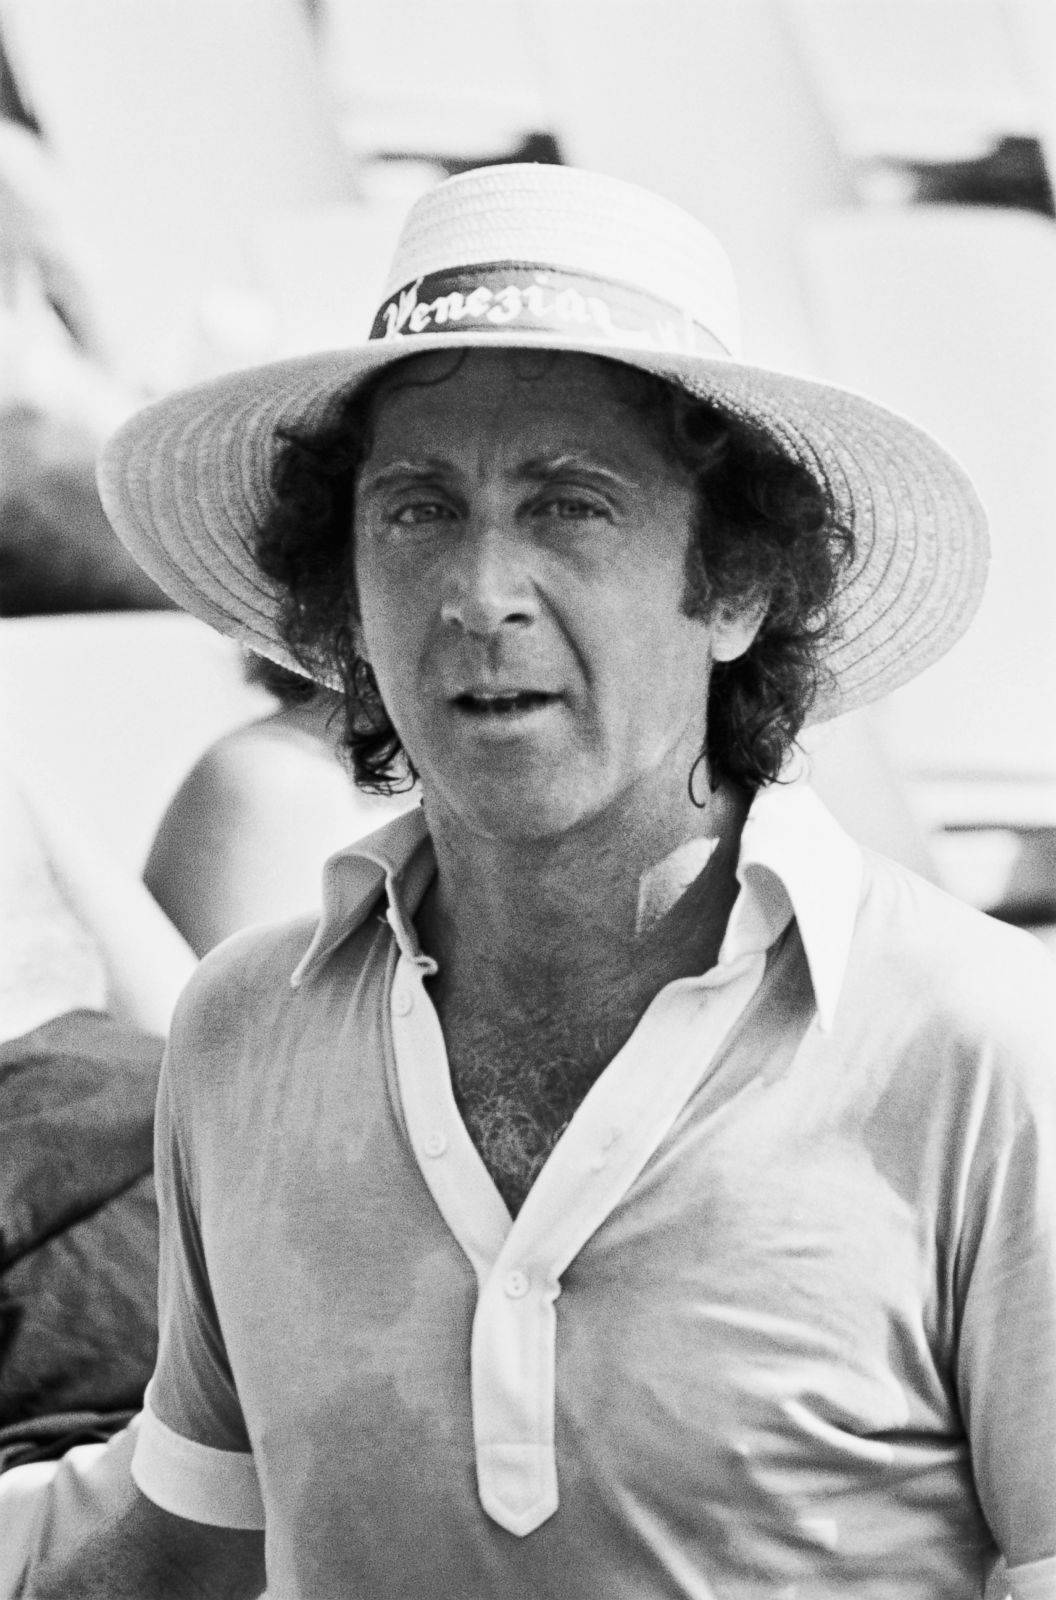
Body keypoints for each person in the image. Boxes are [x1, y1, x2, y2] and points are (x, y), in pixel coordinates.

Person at [30, 164, 1055, 1599]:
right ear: (344, 592)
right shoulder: (244, 1033)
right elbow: (189, 1548)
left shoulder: (983, 1051)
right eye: (416, 511)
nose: (479, 592)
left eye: (570, 507)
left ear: (739, 585)